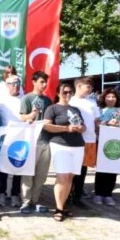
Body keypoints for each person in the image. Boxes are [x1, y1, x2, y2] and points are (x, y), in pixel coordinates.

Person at [42, 84, 86, 222]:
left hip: (78, 145)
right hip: (60, 144)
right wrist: (66, 128)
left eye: (70, 92)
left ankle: (64, 204)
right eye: (64, 92)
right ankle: (59, 208)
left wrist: (80, 128)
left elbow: (84, 127)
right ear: (58, 93)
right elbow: (46, 126)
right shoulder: (52, 108)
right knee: (62, 176)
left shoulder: (75, 109)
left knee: (70, 177)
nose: (68, 94)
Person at [18, 71, 53, 214]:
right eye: (41, 82)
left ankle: (35, 201)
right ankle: (25, 202)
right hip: (30, 141)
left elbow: (50, 119)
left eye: (45, 82)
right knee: (27, 174)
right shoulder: (26, 98)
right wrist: (32, 115)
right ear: (34, 82)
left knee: (41, 175)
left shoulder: (48, 100)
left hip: (45, 141)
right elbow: (22, 118)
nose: (44, 85)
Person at [94, 88, 120, 206]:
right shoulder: (99, 111)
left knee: (113, 170)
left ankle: (108, 194)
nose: (111, 99)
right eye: (108, 97)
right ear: (104, 98)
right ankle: (98, 194)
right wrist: (106, 123)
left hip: (116, 143)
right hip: (102, 143)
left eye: (113, 97)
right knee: (101, 169)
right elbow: (95, 126)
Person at [68, 77, 100, 210]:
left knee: (83, 171)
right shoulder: (70, 100)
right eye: (88, 86)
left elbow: (97, 121)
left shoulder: (92, 102)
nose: (91, 89)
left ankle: (77, 197)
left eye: (91, 87)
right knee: (70, 171)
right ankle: (67, 196)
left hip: (89, 140)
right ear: (79, 86)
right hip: (73, 140)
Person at [0, 74, 23, 207]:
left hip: (21, 138)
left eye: (18, 83)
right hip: (5, 138)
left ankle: (15, 194)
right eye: (13, 84)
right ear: (7, 86)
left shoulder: (25, 99)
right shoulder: (0, 101)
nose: (16, 86)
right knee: (4, 168)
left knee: (18, 166)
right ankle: (1, 193)